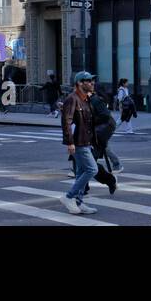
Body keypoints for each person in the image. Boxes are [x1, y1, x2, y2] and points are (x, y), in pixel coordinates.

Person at [60, 72, 116, 215]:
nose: (92, 83)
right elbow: (66, 122)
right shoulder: (73, 99)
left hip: (86, 141)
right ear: (79, 83)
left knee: (81, 172)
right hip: (78, 142)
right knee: (92, 169)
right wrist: (70, 142)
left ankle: (78, 201)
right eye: (88, 81)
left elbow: (89, 122)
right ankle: (69, 197)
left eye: (92, 80)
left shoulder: (85, 99)